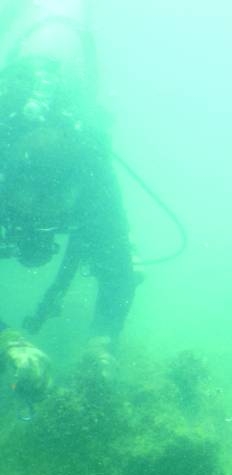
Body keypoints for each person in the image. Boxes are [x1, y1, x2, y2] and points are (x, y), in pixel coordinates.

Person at [0, 1, 135, 405]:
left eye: (54, 193)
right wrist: (7, 339)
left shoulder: (94, 178)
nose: (38, 208)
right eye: (31, 190)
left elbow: (118, 272)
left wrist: (101, 344)